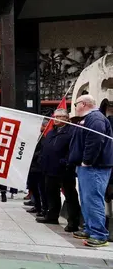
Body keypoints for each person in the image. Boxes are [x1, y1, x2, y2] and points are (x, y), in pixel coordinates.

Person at [69, 95, 113, 247]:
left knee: (93, 199)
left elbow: (95, 141)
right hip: (87, 167)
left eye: (76, 104)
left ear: (84, 104)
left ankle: (99, 234)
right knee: (86, 199)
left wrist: (87, 161)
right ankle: (89, 228)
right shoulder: (88, 119)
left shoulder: (95, 119)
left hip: (94, 167)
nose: (75, 106)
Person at [37, 109, 81, 232]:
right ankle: (52, 216)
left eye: (60, 116)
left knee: (70, 196)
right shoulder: (51, 132)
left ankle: (73, 222)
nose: (56, 119)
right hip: (49, 169)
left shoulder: (72, 131)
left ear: (66, 118)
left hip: (64, 170)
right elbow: (45, 148)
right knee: (51, 194)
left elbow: (73, 149)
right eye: (55, 116)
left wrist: (66, 162)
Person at [24, 120, 48, 217]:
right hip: (31, 167)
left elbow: (42, 152)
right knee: (33, 188)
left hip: (38, 167)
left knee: (41, 189)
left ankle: (44, 208)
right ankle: (37, 207)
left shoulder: (44, 138)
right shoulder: (36, 137)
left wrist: (32, 155)